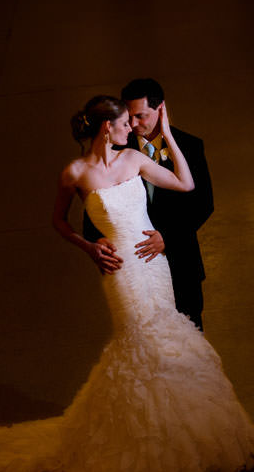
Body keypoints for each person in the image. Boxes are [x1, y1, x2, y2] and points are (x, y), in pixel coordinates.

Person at [0, 95, 254, 472]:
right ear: (107, 128)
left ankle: (179, 437)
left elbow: (186, 183)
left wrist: (168, 135)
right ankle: (144, 444)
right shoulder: (75, 172)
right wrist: (88, 247)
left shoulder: (135, 159)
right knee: (138, 345)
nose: (131, 129)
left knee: (168, 339)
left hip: (154, 265)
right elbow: (58, 221)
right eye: (124, 124)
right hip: (120, 272)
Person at [84, 77, 213, 330]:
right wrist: (96, 239)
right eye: (128, 117)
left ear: (161, 109)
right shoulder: (116, 149)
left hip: (180, 263)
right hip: (136, 271)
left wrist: (167, 237)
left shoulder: (190, 146)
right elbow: (95, 202)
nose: (133, 124)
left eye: (141, 116)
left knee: (190, 337)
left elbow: (203, 204)